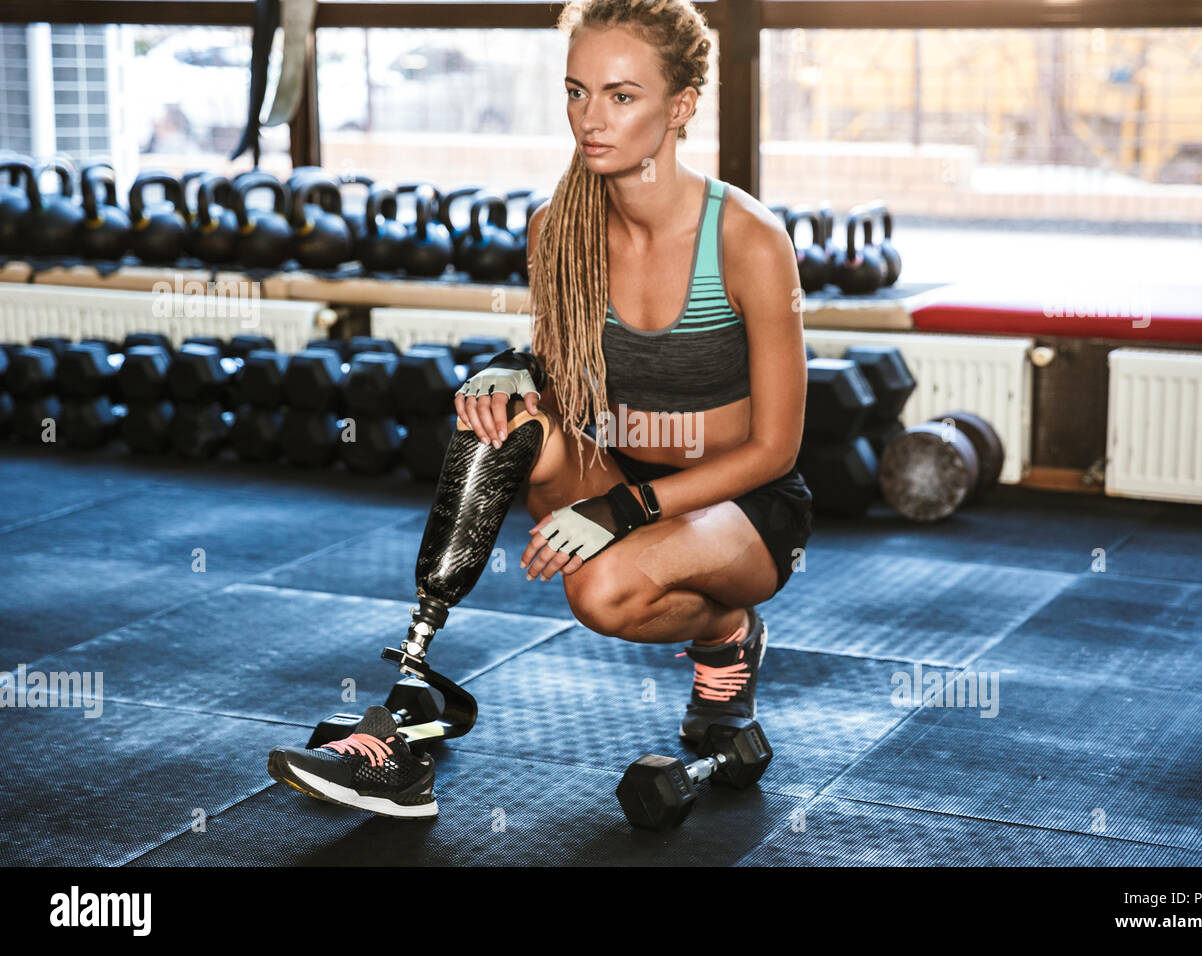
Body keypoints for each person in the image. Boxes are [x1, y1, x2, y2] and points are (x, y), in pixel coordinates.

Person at [267, 0, 812, 820]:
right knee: (498, 423)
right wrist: (509, 376)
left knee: (602, 595)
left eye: (622, 97)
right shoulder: (557, 227)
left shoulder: (745, 237)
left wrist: (623, 506)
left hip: (742, 504)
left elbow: (777, 448)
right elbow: (561, 380)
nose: (592, 119)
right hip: (622, 468)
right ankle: (409, 700)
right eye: (577, 92)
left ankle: (727, 630)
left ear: (681, 107)